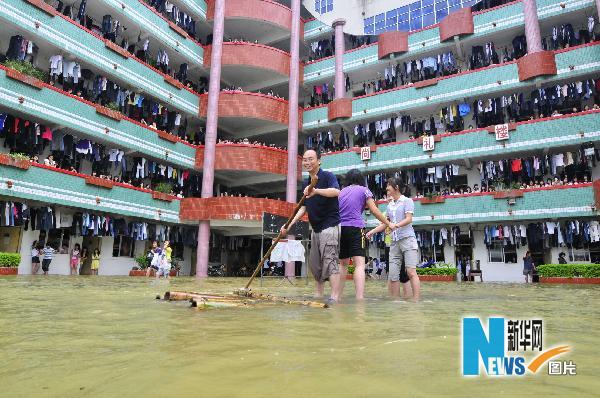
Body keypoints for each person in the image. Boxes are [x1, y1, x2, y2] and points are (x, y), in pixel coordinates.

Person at [281, 149, 341, 302]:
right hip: (315, 228)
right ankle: (319, 294)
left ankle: (335, 296)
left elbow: (336, 192)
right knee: (315, 264)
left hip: (330, 225)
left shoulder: (327, 176)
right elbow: (303, 207)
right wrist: (289, 225)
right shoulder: (306, 183)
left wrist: (316, 191)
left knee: (330, 260)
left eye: (311, 159)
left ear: (319, 160)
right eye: (305, 160)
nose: (307, 162)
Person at [337, 169, 393, 300]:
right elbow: (374, 210)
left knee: (342, 264)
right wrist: (388, 223)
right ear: (361, 180)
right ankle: (359, 298)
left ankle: (337, 296)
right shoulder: (364, 190)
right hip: (356, 228)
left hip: (340, 229)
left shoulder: (341, 192)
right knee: (360, 264)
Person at [367, 177, 421, 300]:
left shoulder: (407, 201)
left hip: (407, 239)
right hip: (394, 242)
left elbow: (408, 219)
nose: (386, 188)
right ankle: (395, 301)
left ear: (396, 187)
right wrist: (372, 232)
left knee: (411, 272)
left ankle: (416, 301)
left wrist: (395, 225)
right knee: (393, 275)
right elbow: (386, 223)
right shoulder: (390, 206)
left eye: (388, 186)